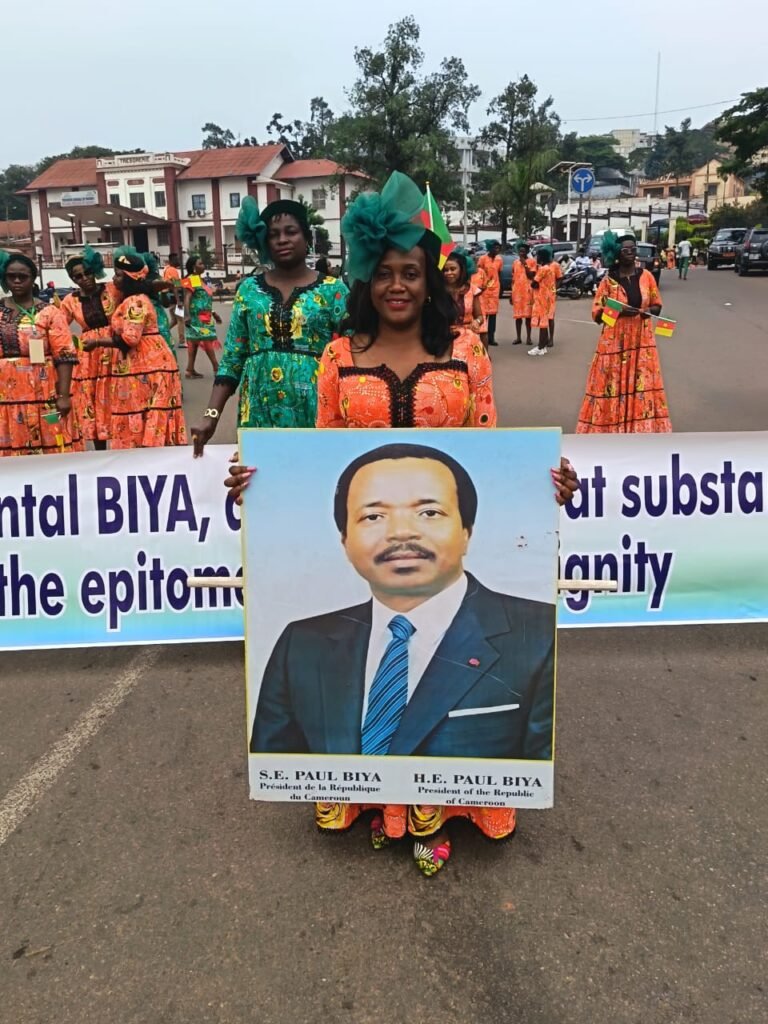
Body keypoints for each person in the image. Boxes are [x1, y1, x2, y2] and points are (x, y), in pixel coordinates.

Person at [227, 171, 578, 876]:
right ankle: (372, 799)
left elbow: (490, 445)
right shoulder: (338, 355)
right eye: (385, 273)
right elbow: (318, 455)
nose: (397, 286)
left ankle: (440, 806)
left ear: (429, 278)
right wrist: (260, 483)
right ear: (366, 277)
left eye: (410, 273)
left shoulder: (467, 351)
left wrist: (543, 485)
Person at [252, 442, 555, 760]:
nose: (401, 533)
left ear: (466, 532)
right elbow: (276, 767)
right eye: (373, 516)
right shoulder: (302, 643)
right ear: (344, 541)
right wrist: (251, 485)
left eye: (429, 513)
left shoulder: (538, 634)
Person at [191, 198, 349, 450]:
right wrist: (211, 416)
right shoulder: (249, 290)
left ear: (306, 237)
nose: (282, 240)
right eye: (274, 235)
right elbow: (233, 358)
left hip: (318, 410)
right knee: (259, 472)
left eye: (291, 232)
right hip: (258, 412)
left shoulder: (334, 290)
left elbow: (355, 354)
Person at [577, 231, 671, 433]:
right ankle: (611, 429)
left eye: (633, 249)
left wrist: (648, 311)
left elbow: (657, 305)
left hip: (641, 343)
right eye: (625, 249)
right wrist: (619, 311)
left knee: (642, 384)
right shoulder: (608, 282)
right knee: (612, 384)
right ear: (617, 253)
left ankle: (640, 429)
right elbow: (598, 316)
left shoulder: (646, 277)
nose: (630, 252)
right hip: (614, 344)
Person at [0, 251, 83, 456]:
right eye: (11, 276)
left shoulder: (50, 312)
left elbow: (64, 355)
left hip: (45, 391)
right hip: (5, 393)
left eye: (22, 276)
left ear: (33, 278)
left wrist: (63, 396)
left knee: (51, 435)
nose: (17, 281)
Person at [109, 249, 187, 448]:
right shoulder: (133, 296)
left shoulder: (136, 300)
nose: (113, 279)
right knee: (147, 409)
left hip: (147, 359)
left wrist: (98, 343)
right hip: (150, 355)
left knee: (147, 409)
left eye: (118, 275)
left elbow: (130, 338)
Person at [60, 246, 122, 450]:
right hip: (89, 357)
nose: (84, 278)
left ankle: (125, 448)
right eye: (78, 276)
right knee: (94, 401)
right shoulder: (70, 301)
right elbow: (59, 327)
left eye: (87, 272)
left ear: (94, 270)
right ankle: (100, 452)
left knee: (119, 396)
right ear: (73, 279)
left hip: (115, 348)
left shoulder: (112, 289)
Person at [182, 255, 222, 379]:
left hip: (204, 315)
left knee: (194, 342)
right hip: (197, 317)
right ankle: (216, 367)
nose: (203, 266)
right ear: (194, 267)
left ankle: (190, 370)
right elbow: (187, 298)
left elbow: (202, 299)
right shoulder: (193, 279)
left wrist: (213, 313)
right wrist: (187, 315)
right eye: (200, 264)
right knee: (207, 339)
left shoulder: (199, 279)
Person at [442, 250, 484, 337]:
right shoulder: (438, 290)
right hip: (443, 338)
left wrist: (477, 322)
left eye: (453, 269)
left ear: (461, 270)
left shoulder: (472, 290)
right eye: (445, 270)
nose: (449, 273)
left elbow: (480, 316)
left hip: (467, 338)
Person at [527, 246, 557, 356]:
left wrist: (535, 283)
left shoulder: (543, 269)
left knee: (543, 323)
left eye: (538, 256)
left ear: (542, 257)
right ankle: (543, 347)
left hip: (543, 298)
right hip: (549, 297)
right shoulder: (549, 268)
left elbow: (534, 283)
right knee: (545, 322)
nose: (536, 258)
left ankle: (540, 347)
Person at [510, 241, 536, 345]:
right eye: (520, 251)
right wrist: (511, 294)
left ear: (527, 252)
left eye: (523, 251)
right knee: (518, 316)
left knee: (528, 316)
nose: (521, 253)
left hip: (527, 292)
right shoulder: (515, 263)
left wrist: (525, 263)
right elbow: (513, 279)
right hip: (517, 292)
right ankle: (518, 337)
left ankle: (529, 337)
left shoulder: (532, 262)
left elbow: (531, 276)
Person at [477, 240, 502, 346]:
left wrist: (500, 289)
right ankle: (482, 336)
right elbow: (479, 273)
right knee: (484, 314)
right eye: (495, 248)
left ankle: (491, 337)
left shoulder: (499, 259)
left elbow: (499, 273)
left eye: (498, 248)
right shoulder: (483, 259)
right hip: (484, 290)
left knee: (493, 315)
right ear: (490, 248)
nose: (497, 250)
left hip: (495, 290)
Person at [162, 253, 185, 348]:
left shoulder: (167, 270)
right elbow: (176, 286)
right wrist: (179, 301)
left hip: (171, 299)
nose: (179, 261)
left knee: (174, 320)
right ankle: (182, 341)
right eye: (177, 259)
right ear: (172, 261)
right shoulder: (173, 270)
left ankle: (162, 333)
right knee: (180, 320)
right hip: (175, 299)